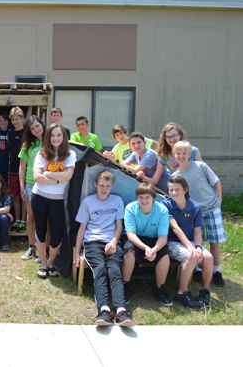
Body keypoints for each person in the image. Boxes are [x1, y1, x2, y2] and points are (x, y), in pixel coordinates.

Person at [74, 170, 134, 326]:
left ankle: (121, 311)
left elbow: (119, 226)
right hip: (93, 242)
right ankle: (104, 310)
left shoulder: (117, 200)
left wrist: (114, 242)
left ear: (112, 186)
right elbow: (81, 229)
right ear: (95, 184)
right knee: (100, 268)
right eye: (101, 185)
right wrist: (76, 253)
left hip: (111, 242)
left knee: (114, 269)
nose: (104, 189)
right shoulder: (88, 201)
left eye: (107, 186)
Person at [172, 140, 226, 287]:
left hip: (212, 207)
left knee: (214, 242)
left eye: (184, 153)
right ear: (174, 155)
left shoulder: (201, 166)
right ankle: (198, 269)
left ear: (190, 154)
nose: (181, 156)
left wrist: (219, 200)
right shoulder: (177, 174)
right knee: (198, 242)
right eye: (178, 153)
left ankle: (216, 271)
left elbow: (216, 181)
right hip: (196, 212)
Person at [32, 123, 76, 278]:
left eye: (59, 135)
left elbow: (68, 176)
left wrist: (48, 173)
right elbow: (37, 177)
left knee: (57, 234)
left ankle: (51, 262)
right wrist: (58, 179)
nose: (55, 138)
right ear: (47, 137)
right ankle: (44, 264)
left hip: (58, 200)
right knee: (41, 231)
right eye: (52, 135)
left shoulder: (70, 155)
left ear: (63, 137)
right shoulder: (41, 154)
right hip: (39, 197)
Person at [162, 175, 211, 308]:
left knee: (208, 257)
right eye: (170, 190)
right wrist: (191, 248)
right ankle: (182, 293)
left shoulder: (195, 207)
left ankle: (205, 291)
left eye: (177, 189)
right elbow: (175, 228)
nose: (173, 193)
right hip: (172, 242)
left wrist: (199, 247)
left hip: (191, 241)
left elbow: (197, 231)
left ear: (185, 190)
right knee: (191, 256)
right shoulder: (165, 205)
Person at [121, 183, 172, 307]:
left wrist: (154, 249)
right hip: (135, 238)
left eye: (147, 197)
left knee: (165, 255)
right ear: (137, 197)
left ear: (154, 197)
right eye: (141, 197)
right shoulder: (130, 208)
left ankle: (160, 289)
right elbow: (130, 235)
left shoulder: (162, 210)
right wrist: (145, 248)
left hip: (154, 239)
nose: (144, 200)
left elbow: (163, 238)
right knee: (128, 253)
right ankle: (125, 286)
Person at [18, 116, 45, 261]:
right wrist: (22, 188)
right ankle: (31, 247)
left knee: (45, 217)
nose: (36, 130)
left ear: (42, 124)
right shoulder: (27, 145)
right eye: (32, 128)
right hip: (30, 183)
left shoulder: (50, 141)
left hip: (46, 184)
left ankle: (44, 249)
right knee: (31, 217)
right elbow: (22, 167)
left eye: (37, 126)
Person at [106, 131, 170, 193]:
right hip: (156, 191)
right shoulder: (135, 153)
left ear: (145, 143)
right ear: (130, 146)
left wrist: (115, 160)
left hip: (168, 190)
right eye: (133, 144)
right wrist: (109, 158)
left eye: (139, 142)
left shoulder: (150, 154)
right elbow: (122, 165)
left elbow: (134, 170)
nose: (136, 145)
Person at [8, 107, 28, 233]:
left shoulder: (26, 133)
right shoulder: (9, 133)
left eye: (17, 119)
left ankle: (24, 221)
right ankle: (17, 220)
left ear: (22, 119)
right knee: (15, 196)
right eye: (13, 120)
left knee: (23, 196)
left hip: (24, 170)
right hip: (12, 169)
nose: (15, 122)